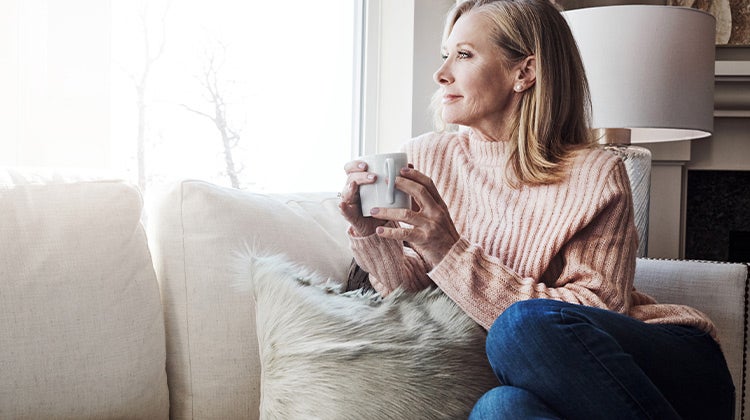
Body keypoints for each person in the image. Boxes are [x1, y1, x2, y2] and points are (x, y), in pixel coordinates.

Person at [338, 0, 734, 418]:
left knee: (519, 327)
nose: (441, 74)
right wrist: (370, 233)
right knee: (500, 408)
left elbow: (593, 313)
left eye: (465, 55)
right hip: (545, 381)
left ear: (524, 73)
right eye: (445, 55)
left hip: (661, 367)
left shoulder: (595, 172)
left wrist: (449, 250)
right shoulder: (425, 156)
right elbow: (423, 298)